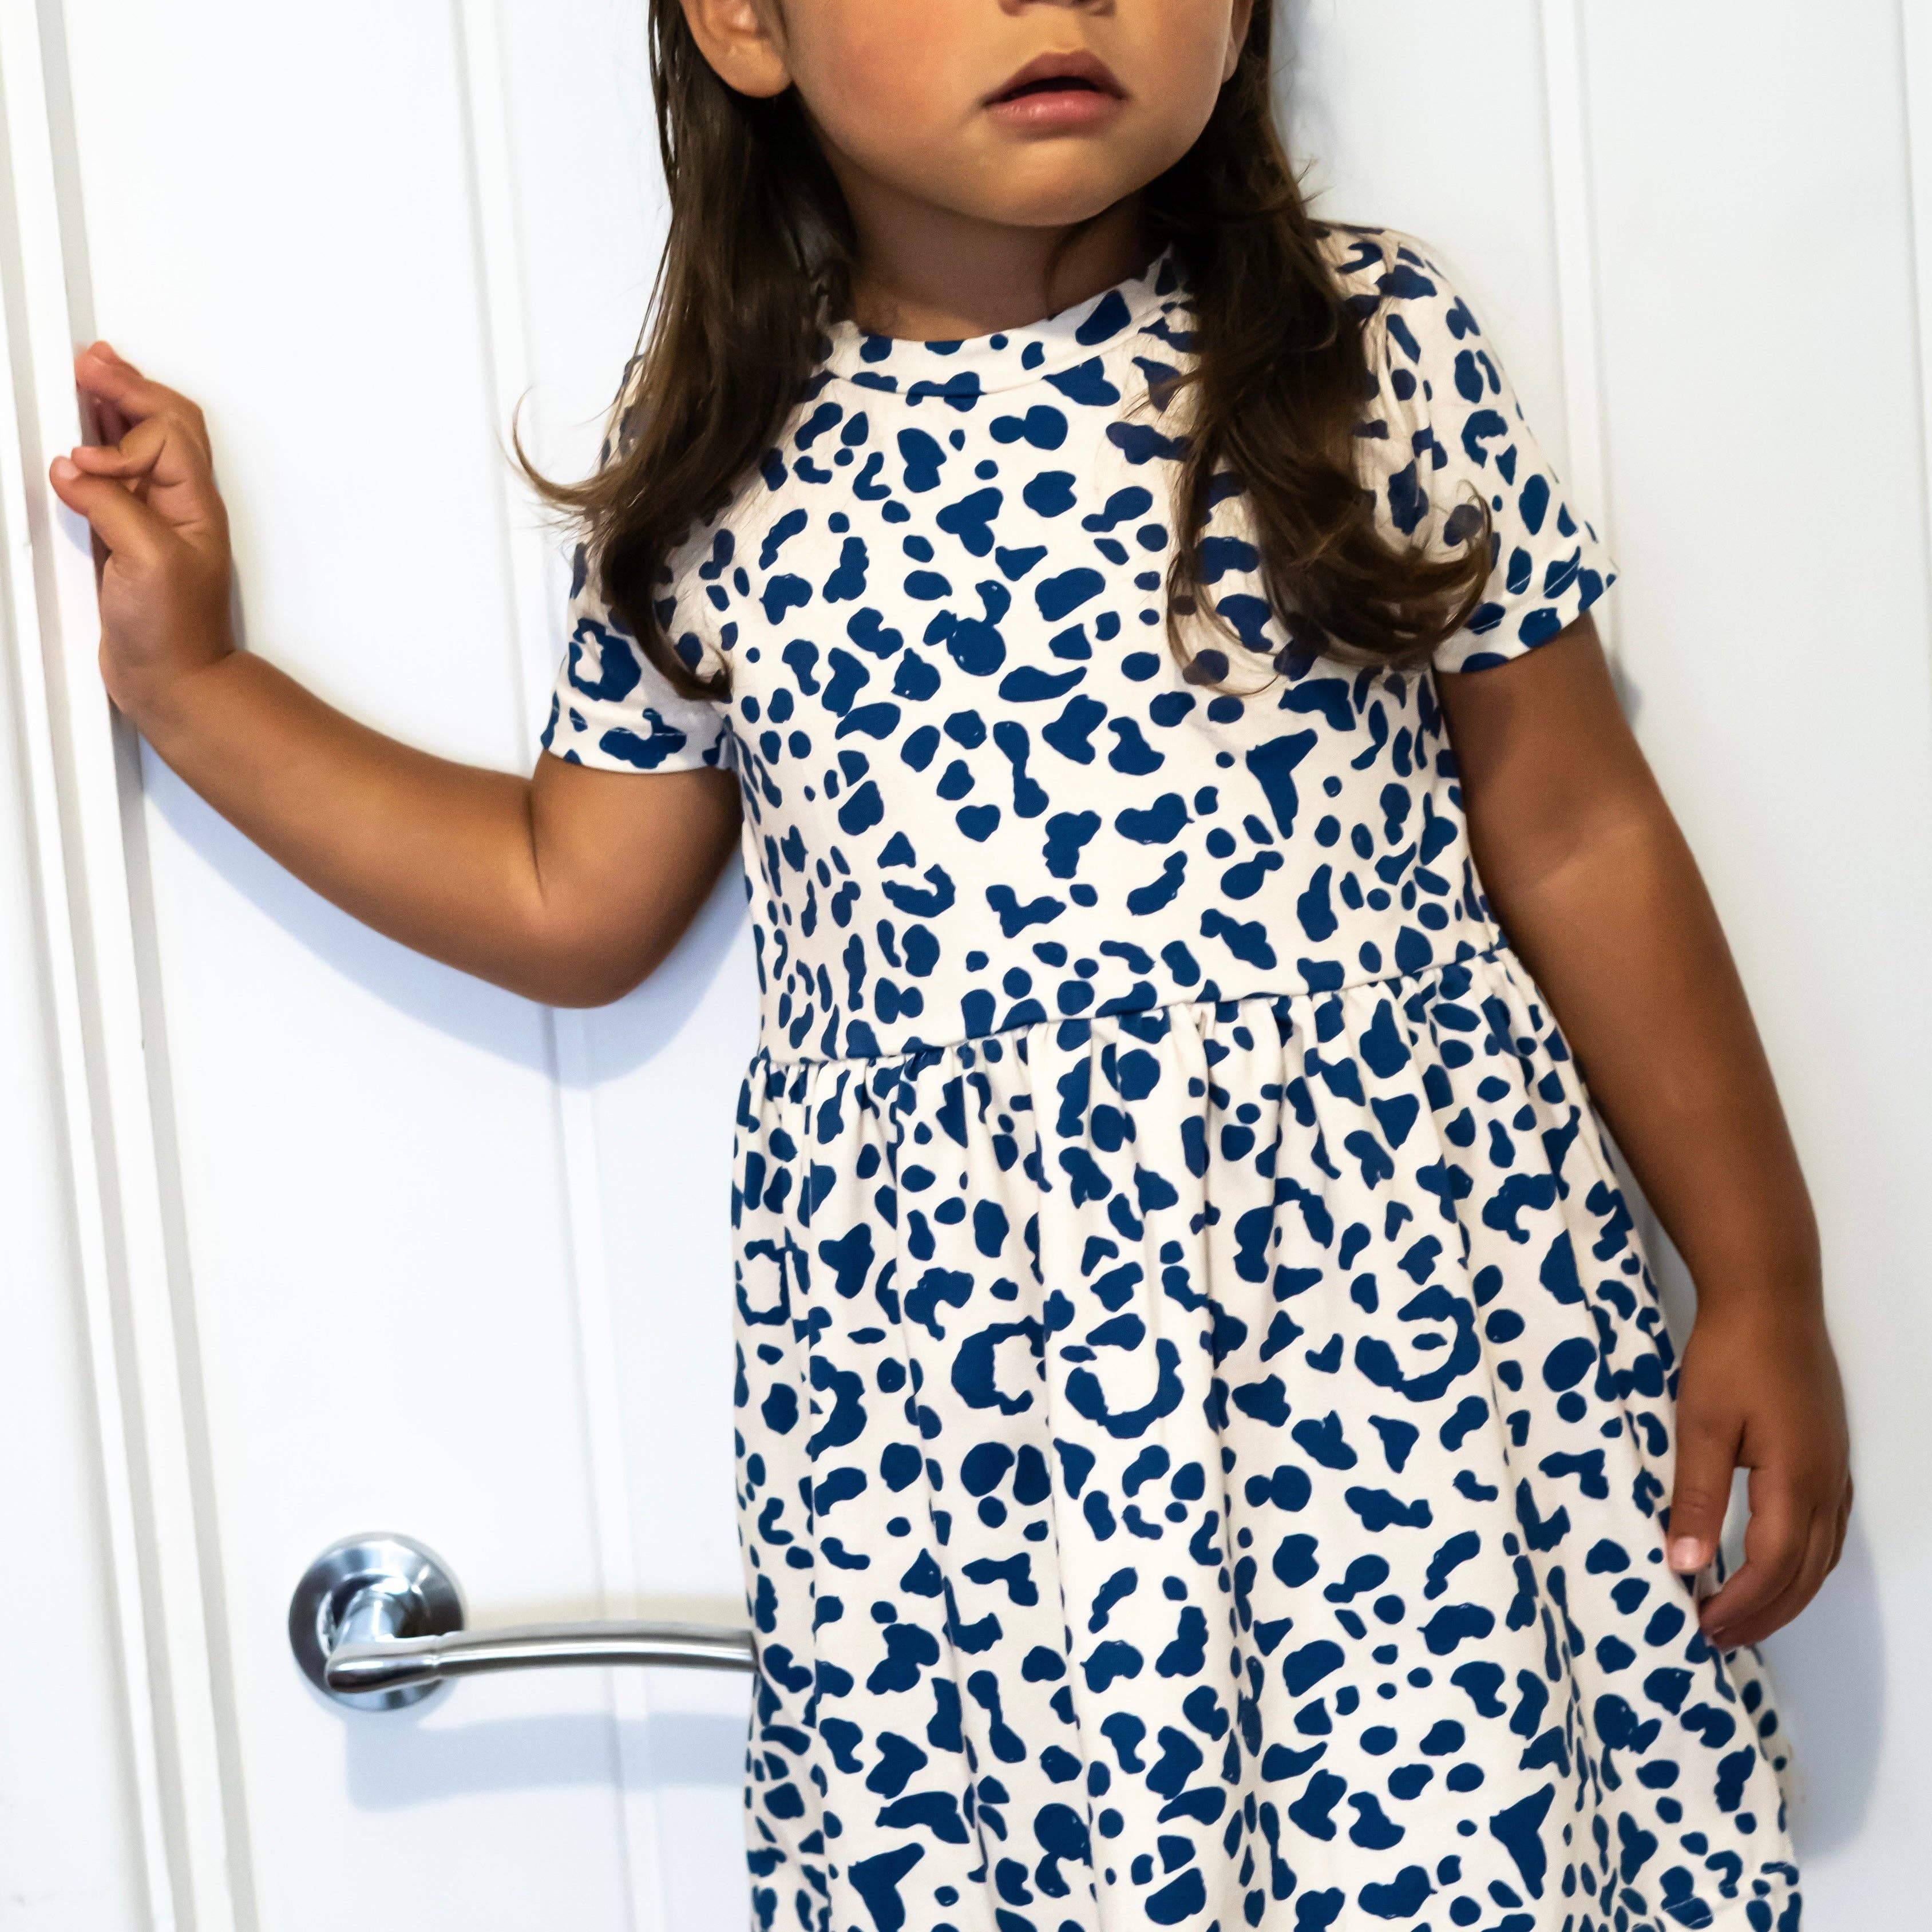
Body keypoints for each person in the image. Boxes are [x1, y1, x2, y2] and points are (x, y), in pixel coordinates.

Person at [50, 2, 1846, 1926]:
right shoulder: (721, 455)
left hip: (1403, 1369)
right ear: (747, 24)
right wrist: (199, 686)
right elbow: (571, 896)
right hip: (980, 1453)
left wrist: (1762, 1276)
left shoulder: (1357, 346)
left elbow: (1574, 828)